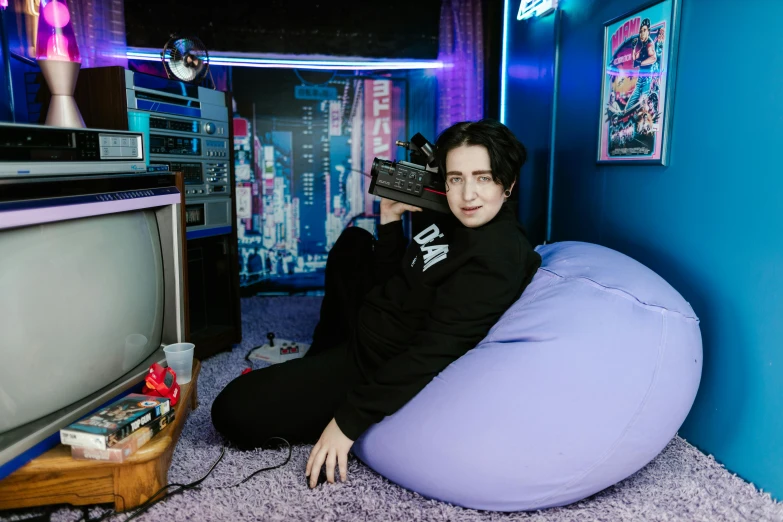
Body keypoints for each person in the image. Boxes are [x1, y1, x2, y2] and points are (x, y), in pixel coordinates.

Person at [211, 119, 542, 489]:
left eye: (483, 178)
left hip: (372, 361)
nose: (467, 195)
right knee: (353, 242)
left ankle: (322, 365)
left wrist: (347, 421)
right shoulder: (449, 211)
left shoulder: (497, 258)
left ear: (508, 184)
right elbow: (403, 275)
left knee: (230, 410)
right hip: (371, 318)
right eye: (456, 178)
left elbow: (432, 352)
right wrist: (389, 222)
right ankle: (321, 351)